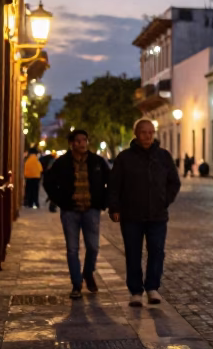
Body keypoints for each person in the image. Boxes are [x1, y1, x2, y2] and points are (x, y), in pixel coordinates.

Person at [109, 118, 181, 307]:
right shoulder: (124, 158)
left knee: (157, 252)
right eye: (143, 132)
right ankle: (135, 291)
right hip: (131, 215)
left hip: (157, 215)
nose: (148, 136)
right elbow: (115, 185)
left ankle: (152, 288)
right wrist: (115, 208)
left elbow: (174, 182)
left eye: (151, 132)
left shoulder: (163, 156)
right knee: (133, 253)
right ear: (136, 134)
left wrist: (164, 200)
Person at [43, 129, 110, 299]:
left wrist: (104, 202)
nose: (82, 143)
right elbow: (48, 182)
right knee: (72, 249)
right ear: (72, 143)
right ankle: (76, 283)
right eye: (78, 141)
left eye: (84, 140)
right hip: (70, 212)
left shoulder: (97, 162)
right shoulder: (62, 163)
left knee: (93, 246)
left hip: (91, 211)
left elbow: (111, 181)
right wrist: (60, 200)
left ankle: (88, 273)